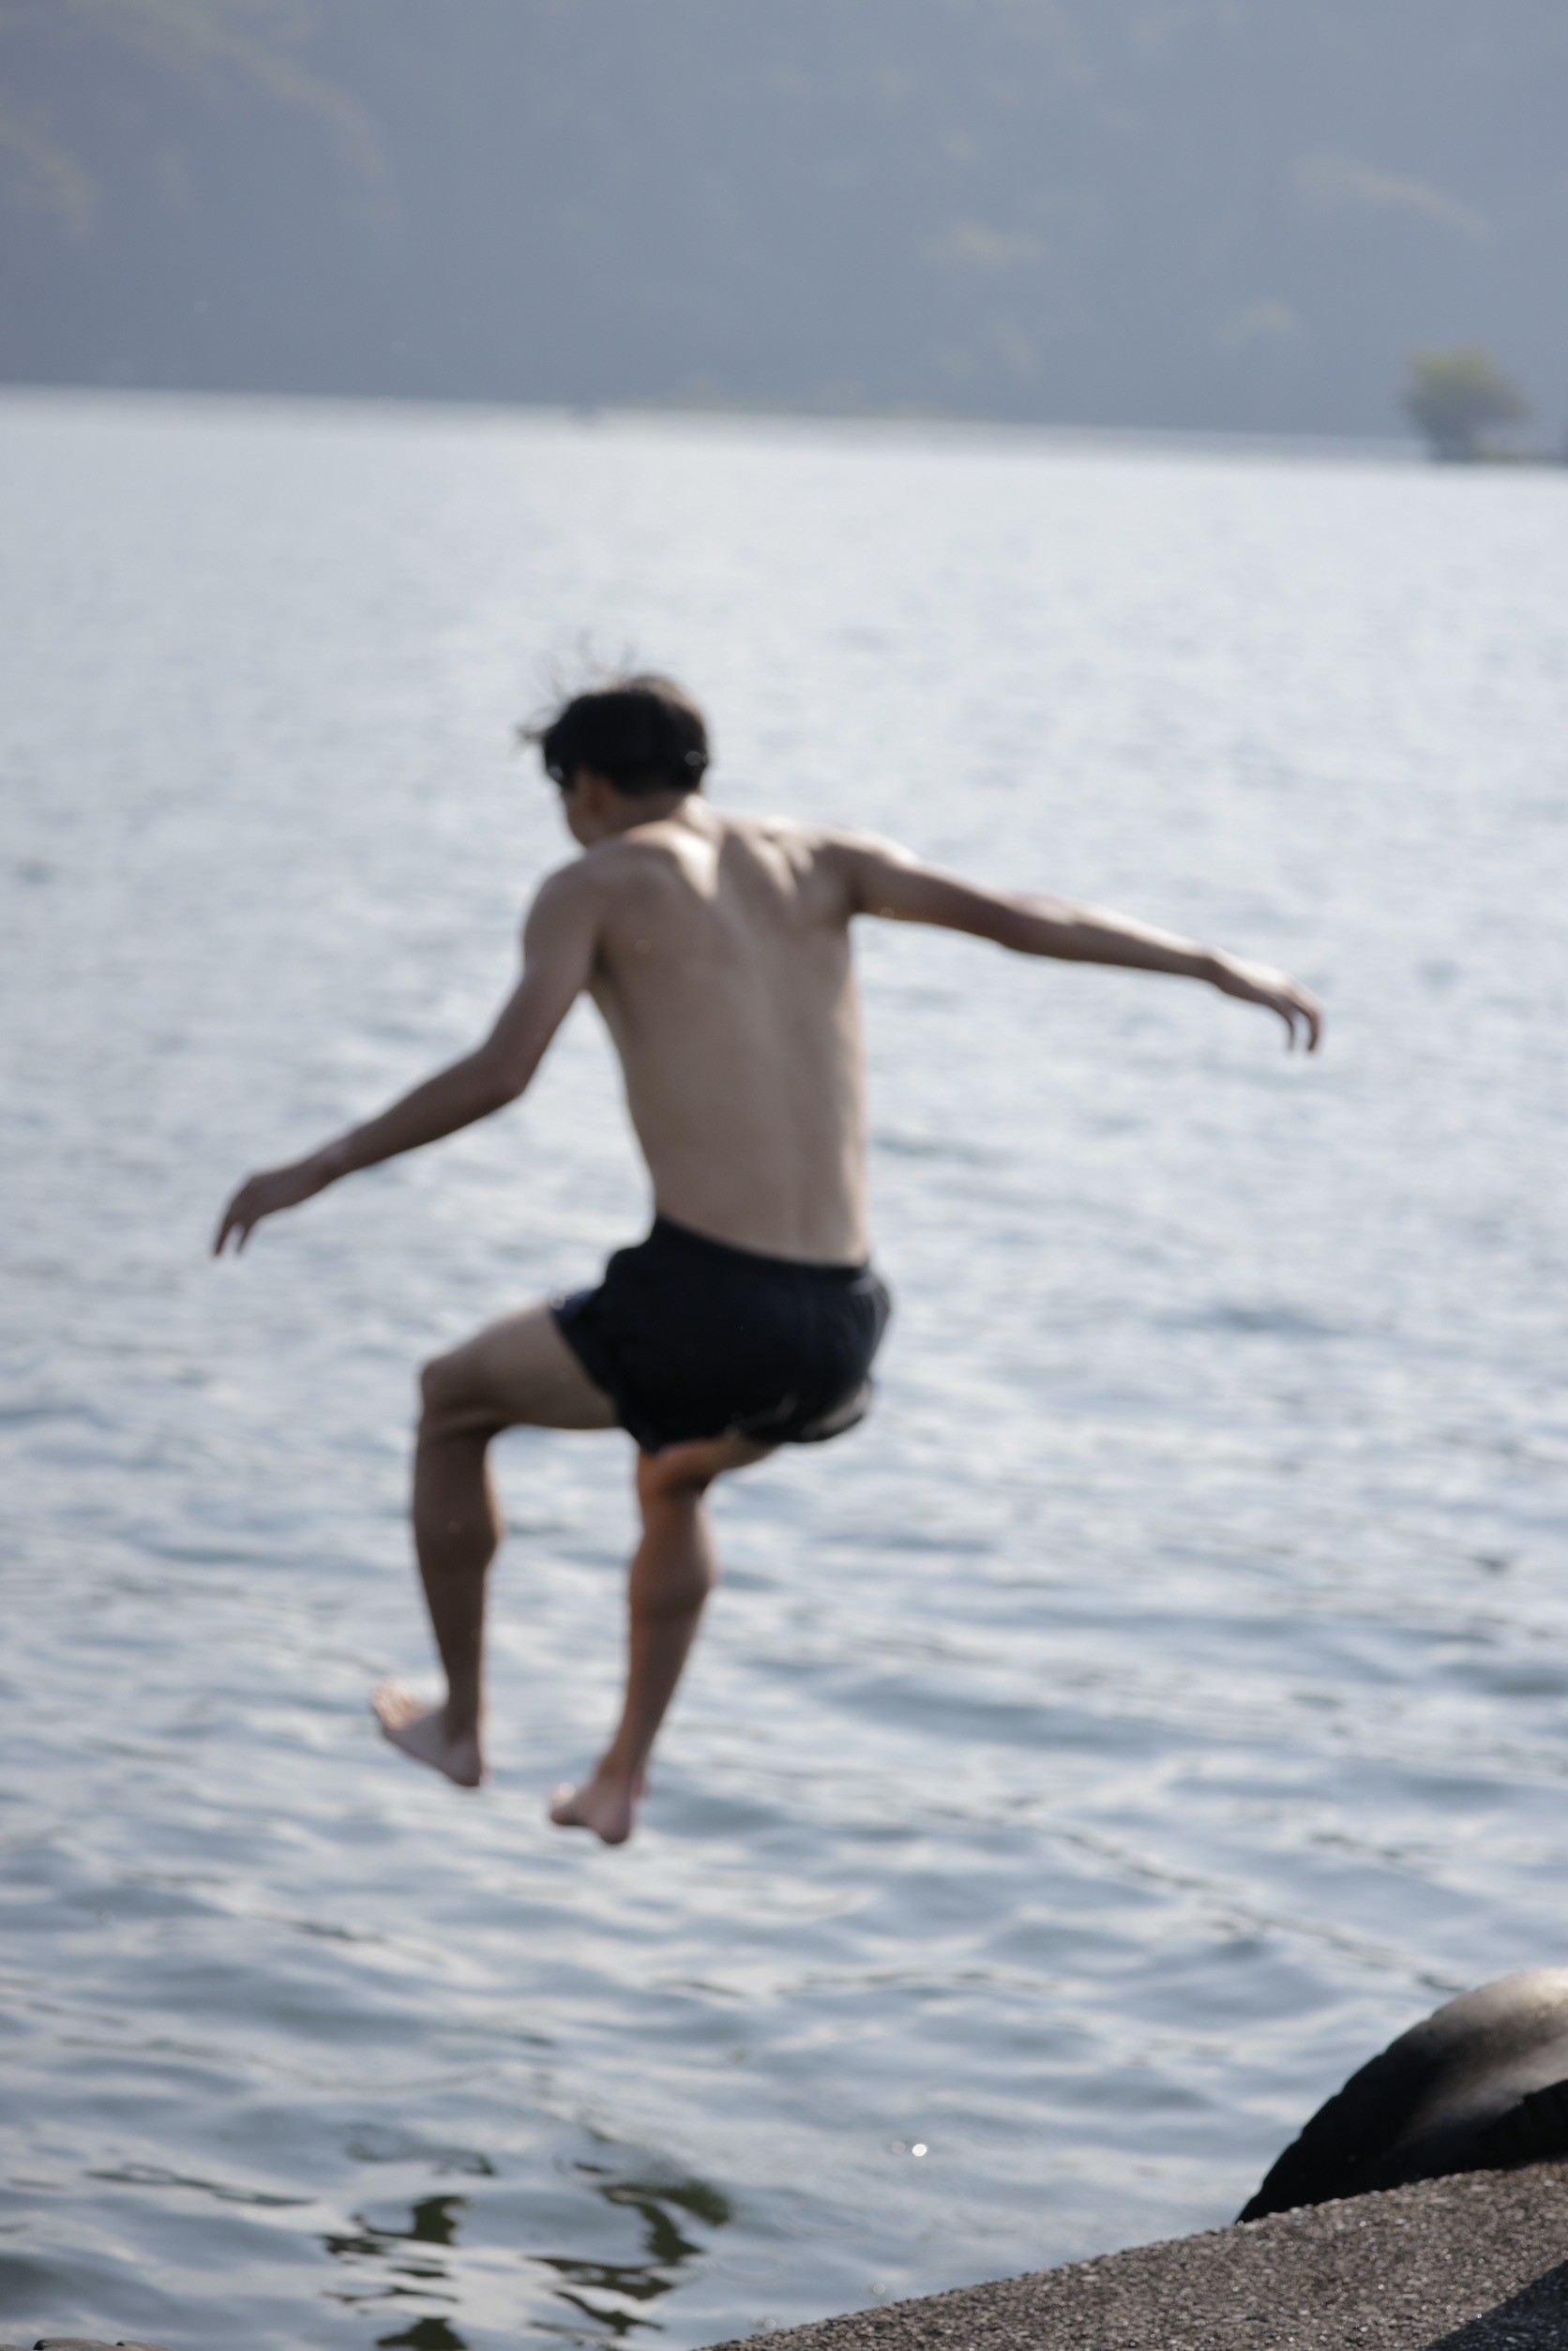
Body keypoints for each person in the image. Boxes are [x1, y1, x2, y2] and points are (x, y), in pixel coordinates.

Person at [215, 675, 1320, 1844]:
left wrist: (315, 1166)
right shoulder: (822, 859)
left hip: (708, 1300)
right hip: (844, 1322)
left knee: (452, 1399)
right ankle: (619, 1780)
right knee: (675, 1473)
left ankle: (460, 1724)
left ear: (584, 787)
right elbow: (1019, 915)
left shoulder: (593, 883)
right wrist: (1212, 963)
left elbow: (500, 1072)